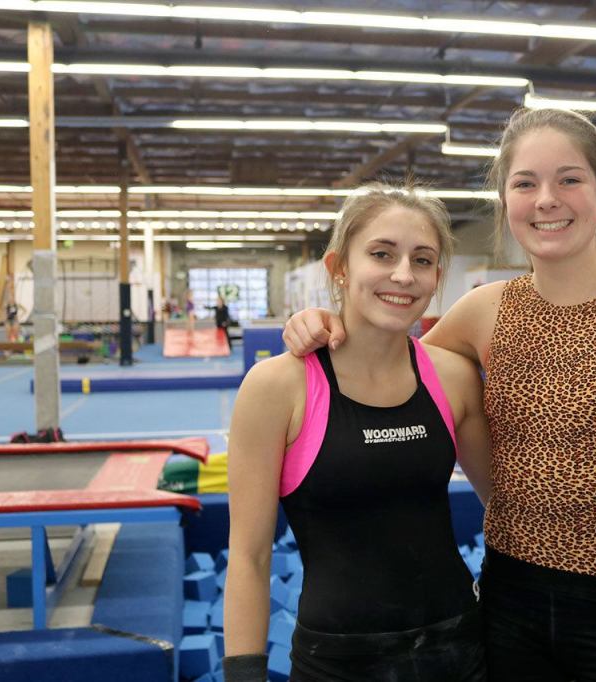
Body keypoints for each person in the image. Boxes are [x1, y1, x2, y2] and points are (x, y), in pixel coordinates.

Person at [282, 108, 596, 682]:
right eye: (525, 183)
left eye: (569, 179)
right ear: (505, 200)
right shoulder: (486, 311)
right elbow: (388, 352)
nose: (546, 199)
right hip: (510, 603)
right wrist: (322, 322)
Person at [223, 185, 491, 682]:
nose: (403, 275)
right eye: (381, 254)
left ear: (437, 277)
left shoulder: (452, 377)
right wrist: (243, 674)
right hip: (338, 662)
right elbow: (250, 555)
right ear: (339, 268)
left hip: (459, 648)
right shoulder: (278, 387)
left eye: (423, 260)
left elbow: (512, 502)